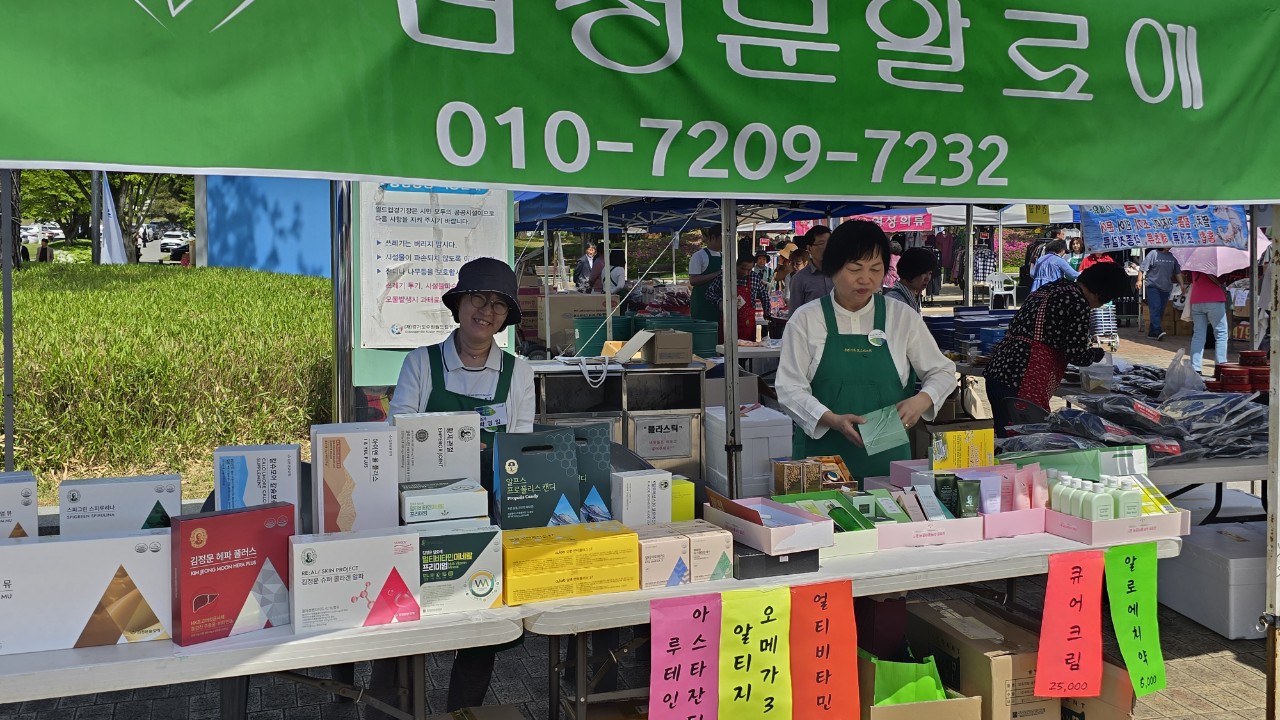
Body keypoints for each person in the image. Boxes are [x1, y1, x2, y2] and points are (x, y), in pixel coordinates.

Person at [386, 257, 534, 711]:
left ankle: (460, 710)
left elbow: (520, 447)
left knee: (480, 620)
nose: (485, 312)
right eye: (476, 299)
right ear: (457, 305)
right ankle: (391, 703)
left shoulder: (519, 372)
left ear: (506, 318)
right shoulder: (421, 363)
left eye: (497, 305)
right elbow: (398, 435)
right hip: (421, 513)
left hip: (489, 516)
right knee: (402, 617)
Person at [776, 221, 956, 479]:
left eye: (875, 269)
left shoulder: (901, 316)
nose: (865, 279)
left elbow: (942, 371)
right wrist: (830, 418)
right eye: (855, 268)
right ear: (833, 268)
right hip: (821, 458)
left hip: (887, 460)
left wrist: (922, 400)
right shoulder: (806, 319)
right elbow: (788, 388)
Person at [983, 264, 1132, 437]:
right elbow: (1077, 355)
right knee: (1025, 441)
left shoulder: (1052, 288)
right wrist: (1097, 354)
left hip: (998, 371)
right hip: (1023, 379)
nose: (1097, 307)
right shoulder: (1078, 301)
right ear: (1100, 293)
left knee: (1005, 437)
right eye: (1103, 302)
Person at [708, 255, 772, 343]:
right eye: (743, 269)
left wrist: (767, 313)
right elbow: (709, 292)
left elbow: (764, 296)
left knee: (747, 350)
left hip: (747, 323)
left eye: (749, 270)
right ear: (736, 265)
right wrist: (719, 302)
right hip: (728, 321)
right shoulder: (725, 276)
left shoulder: (754, 277)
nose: (746, 272)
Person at [1180, 270, 1230, 374]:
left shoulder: (1194, 261)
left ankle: (1195, 368)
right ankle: (1220, 367)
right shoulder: (1214, 261)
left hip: (1197, 300)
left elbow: (1189, 279)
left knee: (1198, 335)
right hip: (1215, 299)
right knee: (1221, 334)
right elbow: (1222, 279)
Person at [1138, 247, 1183, 341]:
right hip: (1153, 286)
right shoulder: (1153, 253)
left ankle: (1152, 333)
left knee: (1160, 310)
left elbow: (1177, 272)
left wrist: (1182, 285)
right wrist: (1139, 281)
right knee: (1155, 308)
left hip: (1166, 288)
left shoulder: (1173, 256)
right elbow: (1142, 268)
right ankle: (1158, 330)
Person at [789, 225, 833, 311]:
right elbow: (794, 315)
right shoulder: (799, 279)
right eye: (821, 244)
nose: (827, 247)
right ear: (809, 248)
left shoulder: (842, 273)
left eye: (830, 242)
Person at [883, 247, 937, 313]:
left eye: (930, 273)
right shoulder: (895, 302)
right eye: (924, 273)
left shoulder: (910, 297)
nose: (927, 278)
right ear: (911, 271)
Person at [688, 227, 723, 323]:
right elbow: (693, 280)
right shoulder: (699, 256)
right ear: (713, 237)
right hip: (701, 303)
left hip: (718, 304)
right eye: (722, 239)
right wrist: (717, 273)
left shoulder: (724, 256)